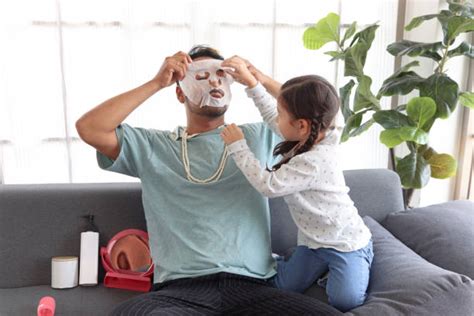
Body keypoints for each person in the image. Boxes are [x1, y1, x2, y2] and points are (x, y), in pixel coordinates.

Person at [76, 45, 342, 315]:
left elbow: (323, 121)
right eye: (201, 77)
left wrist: (257, 78)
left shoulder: (261, 136)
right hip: (179, 293)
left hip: (255, 289)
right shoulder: (152, 146)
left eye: (221, 76)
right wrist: (156, 83)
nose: (214, 81)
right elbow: (90, 128)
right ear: (180, 92)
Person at [220, 57, 374, 312]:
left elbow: (267, 185)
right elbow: (279, 112)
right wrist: (254, 84)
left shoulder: (315, 160)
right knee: (282, 286)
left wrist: (238, 146)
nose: (276, 119)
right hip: (313, 244)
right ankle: (315, 269)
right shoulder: (314, 134)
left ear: (302, 125)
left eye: (282, 115)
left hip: (345, 244)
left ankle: (362, 258)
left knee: (344, 301)